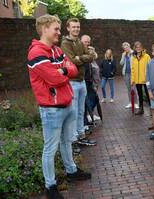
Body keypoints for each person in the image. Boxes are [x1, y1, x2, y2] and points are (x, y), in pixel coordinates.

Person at [27, 14, 91, 199]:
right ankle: (50, 186)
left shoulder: (56, 50)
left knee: (67, 141)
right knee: (50, 148)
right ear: (44, 29)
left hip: (66, 103)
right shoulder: (36, 52)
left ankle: (71, 171)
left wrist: (62, 70)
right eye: (55, 29)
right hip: (51, 109)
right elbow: (53, 79)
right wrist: (63, 71)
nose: (59, 32)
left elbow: (73, 69)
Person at [61, 18, 96, 147]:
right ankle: (73, 139)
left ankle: (81, 135)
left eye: (78, 27)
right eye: (73, 27)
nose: (76, 29)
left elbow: (90, 57)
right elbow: (72, 61)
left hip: (82, 81)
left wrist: (79, 57)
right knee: (74, 112)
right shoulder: (65, 43)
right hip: (72, 82)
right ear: (68, 28)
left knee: (81, 111)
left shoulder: (80, 42)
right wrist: (82, 58)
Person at [81, 35, 101, 122]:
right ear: (81, 41)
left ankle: (89, 114)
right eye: (85, 41)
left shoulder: (91, 58)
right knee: (87, 100)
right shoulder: (81, 52)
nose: (87, 43)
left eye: (88, 42)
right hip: (84, 81)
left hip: (90, 81)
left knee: (93, 99)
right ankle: (87, 116)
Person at [131, 41, 151, 115]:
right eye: (136, 47)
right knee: (140, 95)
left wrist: (149, 78)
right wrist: (132, 80)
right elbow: (132, 69)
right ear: (135, 48)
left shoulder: (147, 56)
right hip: (137, 80)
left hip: (145, 79)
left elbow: (150, 67)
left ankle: (152, 109)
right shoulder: (134, 57)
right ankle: (141, 109)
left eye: (139, 47)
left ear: (142, 48)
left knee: (148, 94)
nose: (138, 48)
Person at [120, 42, 138, 109]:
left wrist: (131, 55)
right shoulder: (124, 54)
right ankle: (130, 102)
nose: (126, 49)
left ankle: (136, 103)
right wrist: (123, 56)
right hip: (126, 73)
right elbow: (121, 63)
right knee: (129, 89)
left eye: (126, 47)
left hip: (133, 73)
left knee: (133, 88)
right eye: (124, 48)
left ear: (129, 46)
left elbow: (136, 62)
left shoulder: (133, 53)